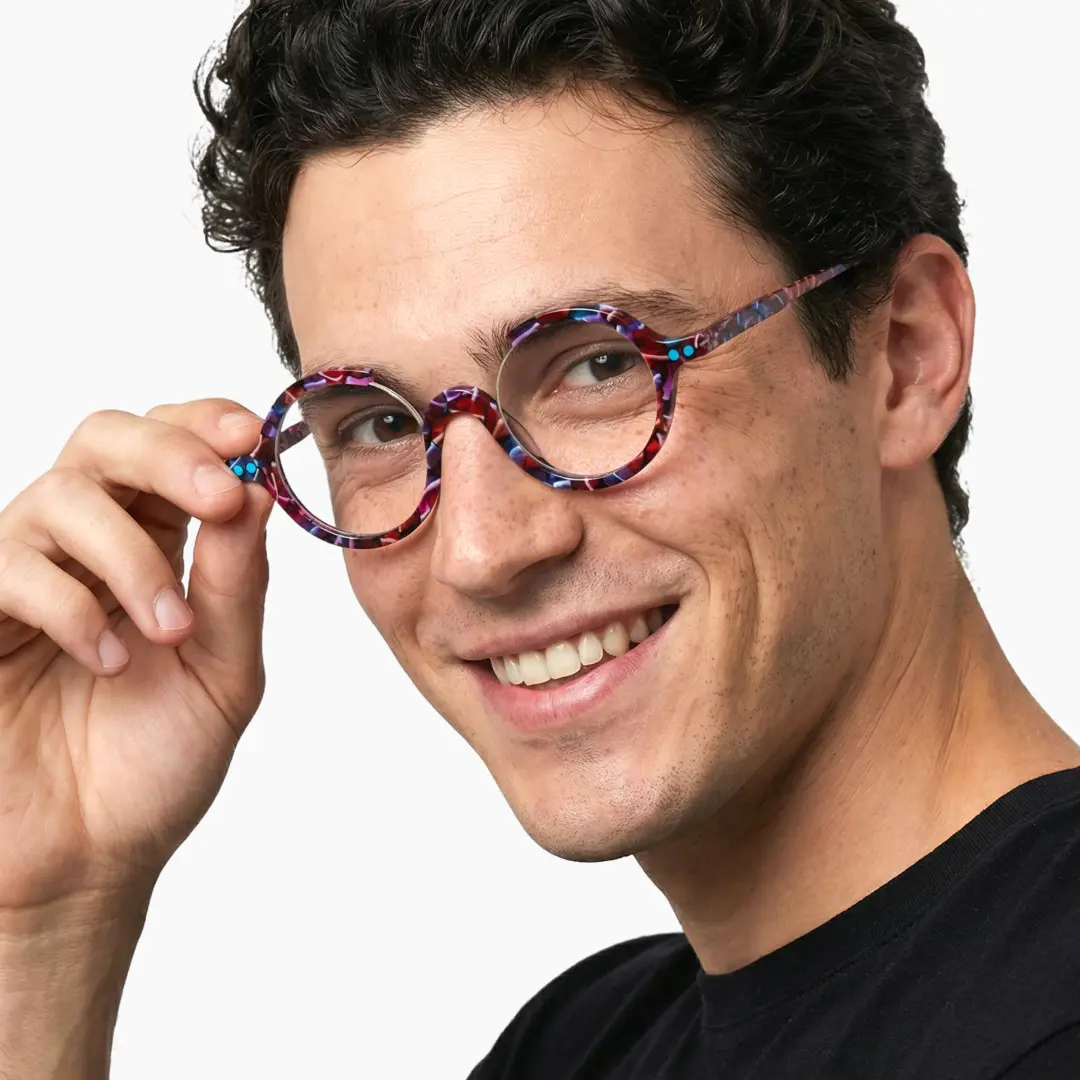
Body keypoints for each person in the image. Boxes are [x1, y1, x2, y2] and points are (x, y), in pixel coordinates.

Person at [0, 0, 1078, 1076]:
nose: (480, 550)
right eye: (381, 426)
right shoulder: (582, 1047)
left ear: (907, 355)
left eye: (600, 364)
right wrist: (43, 927)